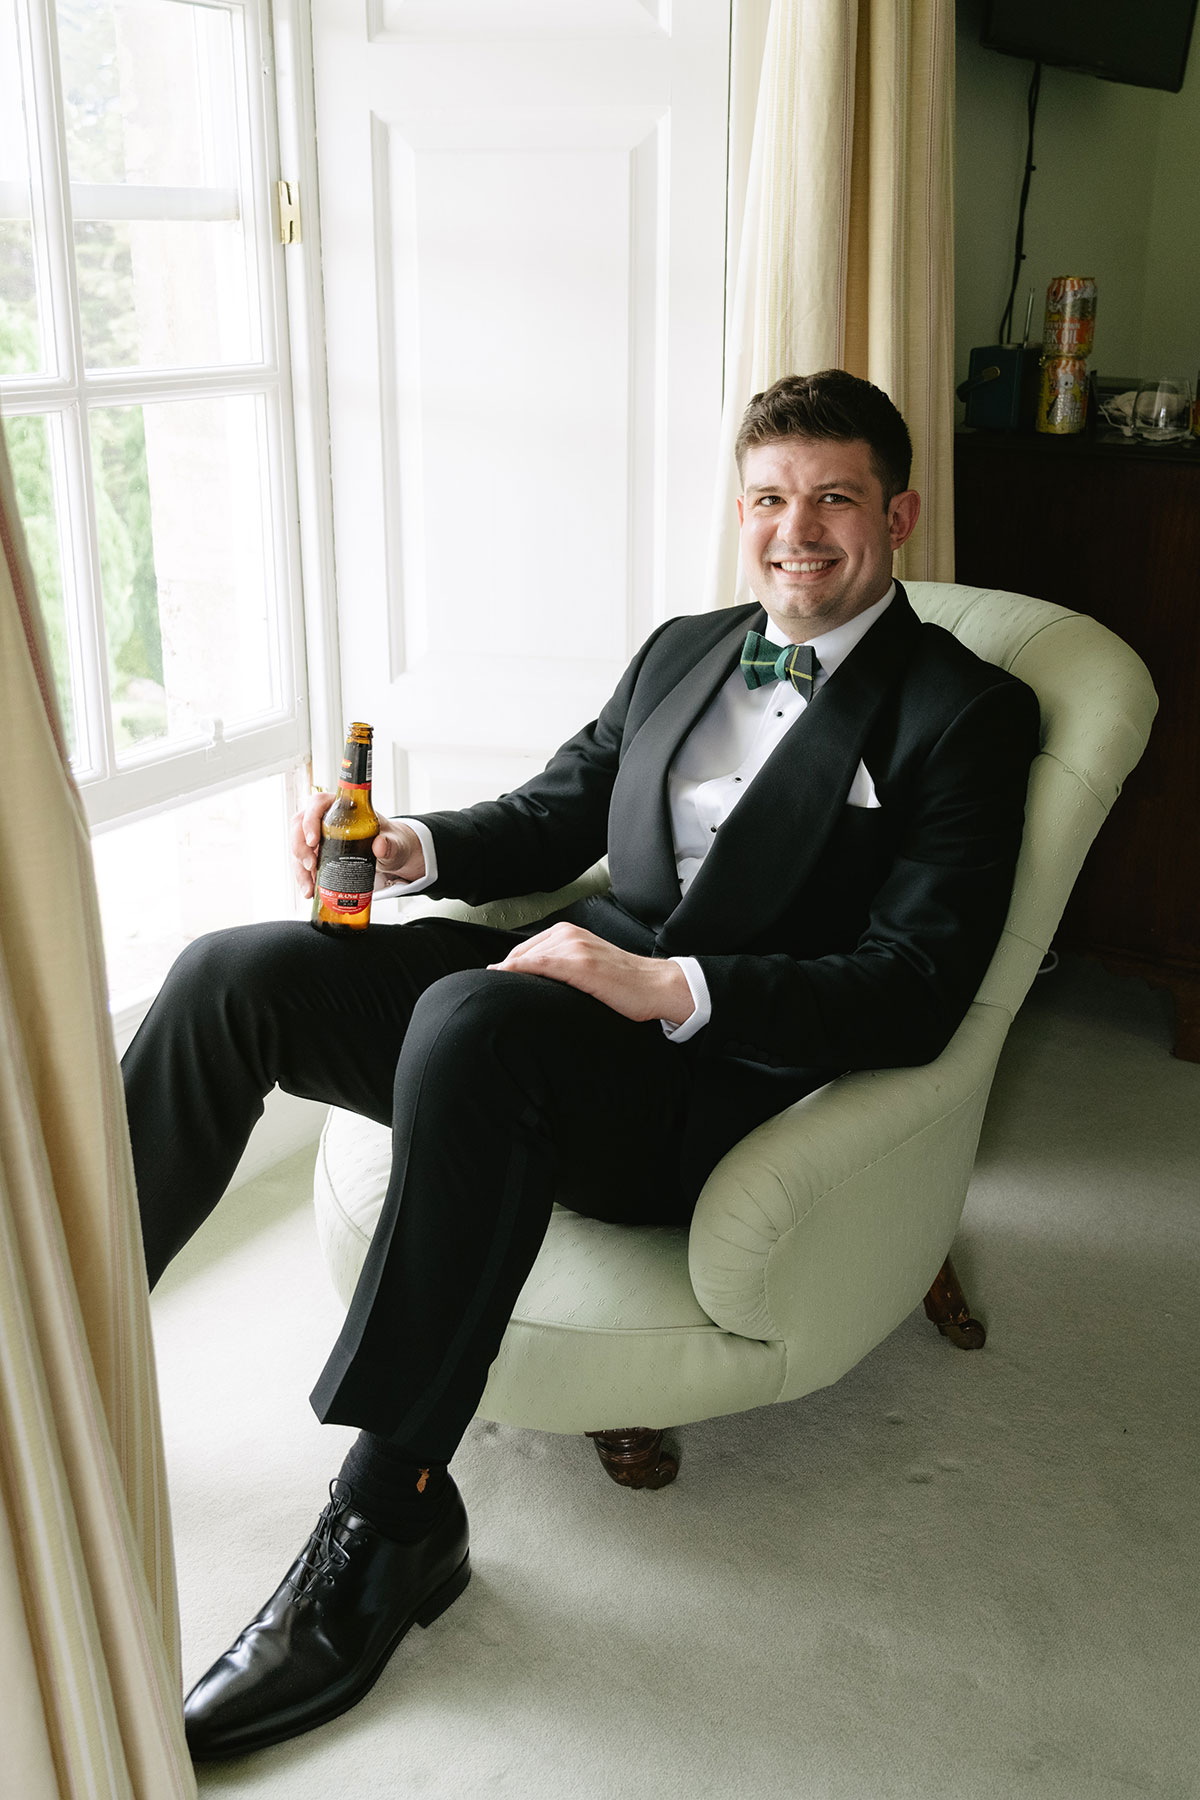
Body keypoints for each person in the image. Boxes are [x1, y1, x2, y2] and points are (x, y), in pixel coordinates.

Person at [123, 370, 1040, 1762]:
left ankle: (392, 1520)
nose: (799, 531)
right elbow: (554, 812)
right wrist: (403, 847)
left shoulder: (966, 715)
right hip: (554, 995)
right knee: (230, 973)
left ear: (898, 512)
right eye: (771, 500)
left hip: (706, 1078)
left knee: (471, 1022)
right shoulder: (684, 647)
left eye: (835, 497)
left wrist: (661, 984)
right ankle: (63, 1350)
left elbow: (914, 991)